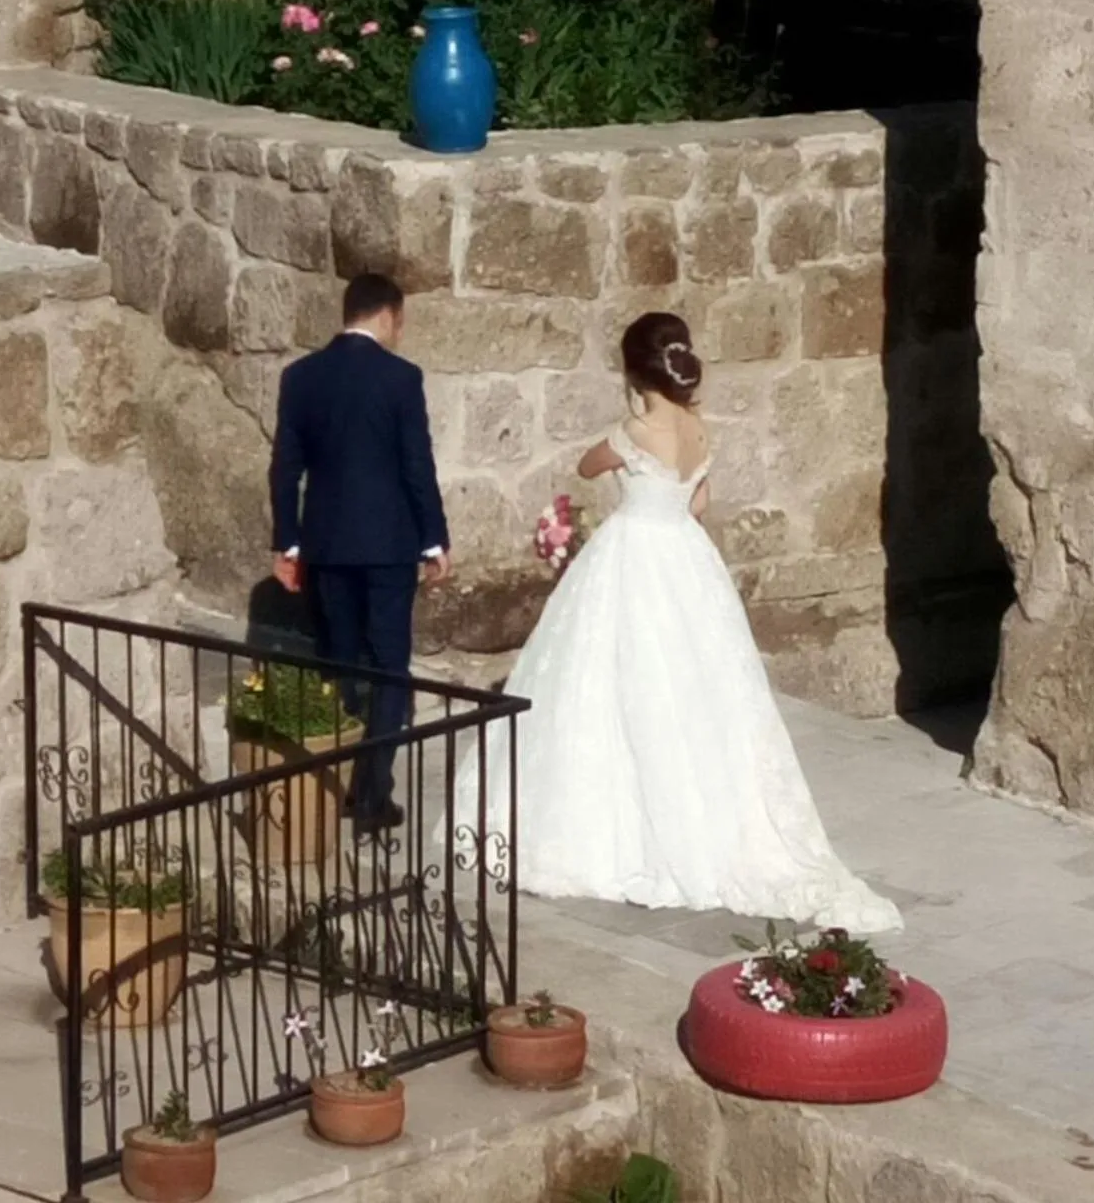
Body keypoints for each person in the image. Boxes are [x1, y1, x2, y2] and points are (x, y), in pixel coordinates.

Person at [448, 312, 901, 933]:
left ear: (635, 372)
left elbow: (586, 466)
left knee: (613, 678)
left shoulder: (634, 428)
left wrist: (628, 435)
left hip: (634, 552)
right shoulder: (696, 426)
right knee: (694, 685)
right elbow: (700, 501)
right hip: (687, 556)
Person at [270, 272, 451, 835]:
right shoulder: (400, 378)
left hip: (325, 543)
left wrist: (289, 540)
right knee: (391, 666)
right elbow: (415, 464)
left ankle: (338, 777)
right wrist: (434, 539)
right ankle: (372, 794)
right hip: (389, 544)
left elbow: (285, 467)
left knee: (340, 660)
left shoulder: (301, 377)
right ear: (389, 315)